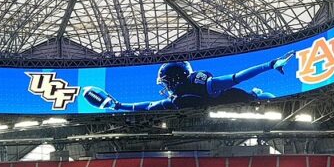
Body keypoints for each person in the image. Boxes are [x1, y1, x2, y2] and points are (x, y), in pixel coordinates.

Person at [82, 51, 295, 111]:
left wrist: (270, 64)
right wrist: (118, 105)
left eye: (166, 82)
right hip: (226, 114)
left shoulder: (203, 84)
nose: (165, 86)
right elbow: (147, 106)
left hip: (250, 103)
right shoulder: (178, 98)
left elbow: (236, 77)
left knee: (265, 98)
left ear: (173, 79)